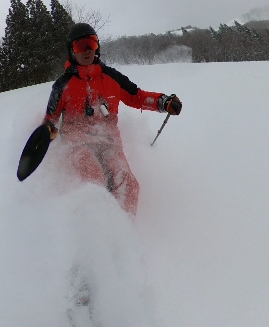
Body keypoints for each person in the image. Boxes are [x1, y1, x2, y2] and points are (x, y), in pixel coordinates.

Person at [41, 23, 181, 215]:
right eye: (80, 46)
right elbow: (50, 118)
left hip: (109, 143)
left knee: (129, 183)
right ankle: (92, 225)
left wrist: (163, 102)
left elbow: (137, 96)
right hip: (77, 143)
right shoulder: (62, 85)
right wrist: (45, 133)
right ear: (72, 51)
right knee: (93, 175)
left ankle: (122, 227)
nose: (87, 50)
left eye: (91, 44)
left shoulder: (112, 77)